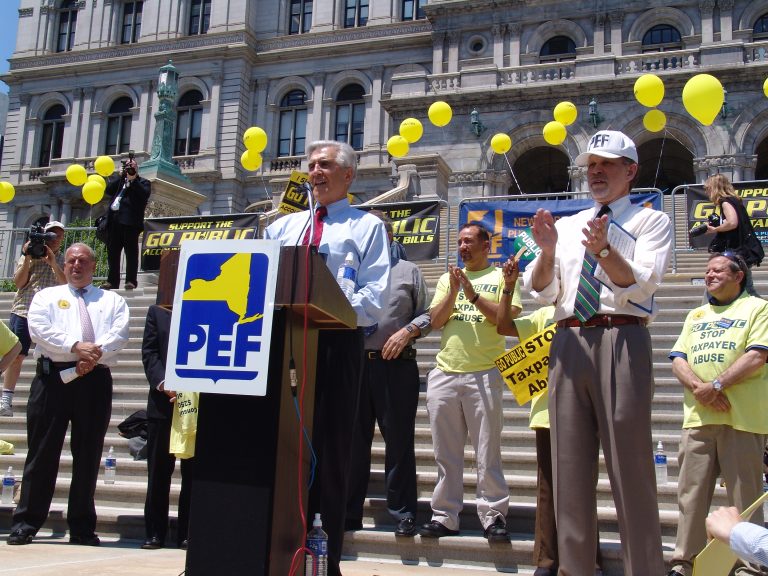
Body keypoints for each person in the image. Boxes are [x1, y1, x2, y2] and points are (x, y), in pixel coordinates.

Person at [521, 129, 672, 575]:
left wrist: (604, 249)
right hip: (568, 338)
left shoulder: (651, 222)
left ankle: (644, 568)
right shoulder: (568, 226)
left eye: (606, 164)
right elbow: (544, 291)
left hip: (620, 337)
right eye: (590, 166)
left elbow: (639, 284)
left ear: (631, 171)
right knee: (567, 470)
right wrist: (547, 252)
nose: (596, 173)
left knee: (631, 467)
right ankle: (575, 568)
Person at [264, 140, 390, 576]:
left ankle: (324, 558)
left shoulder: (368, 227)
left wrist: (330, 303)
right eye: (311, 165)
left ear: (348, 175)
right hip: (285, 345)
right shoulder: (283, 228)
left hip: (337, 344)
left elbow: (375, 300)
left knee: (333, 452)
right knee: (280, 449)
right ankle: (276, 551)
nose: (316, 172)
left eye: (326, 165)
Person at [7, 243, 130, 546]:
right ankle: (27, 522)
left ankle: (82, 526)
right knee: (41, 453)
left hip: (95, 379)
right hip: (53, 380)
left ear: (94, 265)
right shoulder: (46, 297)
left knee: (88, 454)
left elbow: (119, 333)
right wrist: (76, 346)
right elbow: (39, 330)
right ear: (64, 264)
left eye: (83, 261)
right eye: (71, 261)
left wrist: (93, 355)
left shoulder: (111, 300)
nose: (76, 266)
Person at [497, 256, 603, 576]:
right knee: (548, 490)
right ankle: (546, 560)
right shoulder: (543, 314)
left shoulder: (589, 313)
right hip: (546, 413)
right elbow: (503, 325)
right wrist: (509, 286)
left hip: (584, 412)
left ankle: (587, 560)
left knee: (582, 487)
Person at [418, 222, 521, 542]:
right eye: (460, 241)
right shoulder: (449, 279)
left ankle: (493, 516)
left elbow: (505, 320)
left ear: (486, 245)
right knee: (445, 453)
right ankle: (445, 515)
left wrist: (472, 294)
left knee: (487, 451)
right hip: (445, 373)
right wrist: (453, 289)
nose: (462, 247)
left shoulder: (501, 278)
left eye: (469, 241)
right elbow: (435, 322)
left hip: (484, 374)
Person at [667, 252, 768, 576]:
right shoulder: (696, 314)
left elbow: (757, 355)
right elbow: (678, 358)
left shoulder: (757, 308)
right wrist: (702, 388)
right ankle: (684, 562)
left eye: (718, 271)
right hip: (699, 419)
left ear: (738, 276)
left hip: (742, 420)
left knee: (746, 497)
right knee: (691, 497)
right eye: (707, 271)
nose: (710, 276)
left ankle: (749, 566)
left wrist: (718, 384)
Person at [345, 211, 430, 538]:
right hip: (354, 366)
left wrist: (408, 331)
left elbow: (428, 314)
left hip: (396, 367)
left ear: (391, 238)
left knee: (399, 443)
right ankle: (349, 511)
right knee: (352, 443)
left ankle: (403, 512)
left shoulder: (409, 271)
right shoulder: (348, 275)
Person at [141, 303, 194, 550]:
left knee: (193, 475)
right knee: (159, 473)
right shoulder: (158, 311)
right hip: (163, 403)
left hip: (196, 405)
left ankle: (188, 532)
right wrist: (164, 383)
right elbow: (150, 352)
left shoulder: (210, 306)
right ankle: (154, 532)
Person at [1, 221, 66, 417]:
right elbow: (19, 283)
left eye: (58, 237)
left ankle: (48, 398)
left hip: (49, 315)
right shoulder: (29, 255)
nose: (54, 240)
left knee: (51, 356)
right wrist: (28, 257)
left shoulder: (62, 259)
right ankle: (6, 399)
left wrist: (53, 263)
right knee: (17, 355)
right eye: (51, 235)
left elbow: (65, 286)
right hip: (24, 309)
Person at [703, 173, 761, 296]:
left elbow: (732, 223)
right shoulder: (734, 201)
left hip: (737, 251)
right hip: (741, 249)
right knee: (745, 288)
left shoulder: (725, 202)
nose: (706, 192)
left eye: (708, 188)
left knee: (747, 289)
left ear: (714, 188)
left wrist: (715, 229)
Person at [103, 157, 151, 290]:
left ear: (137, 169)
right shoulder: (120, 182)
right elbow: (108, 190)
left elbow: (144, 194)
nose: (130, 169)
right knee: (113, 253)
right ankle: (112, 281)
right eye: (128, 167)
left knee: (131, 253)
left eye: (132, 167)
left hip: (130, 223)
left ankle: (131, 281)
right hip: (114, 222)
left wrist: (133, 179)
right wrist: (121, 176)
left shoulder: (143, 182)